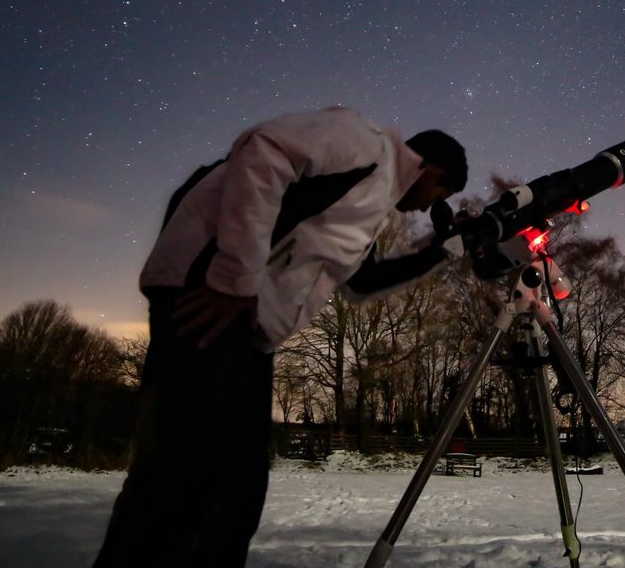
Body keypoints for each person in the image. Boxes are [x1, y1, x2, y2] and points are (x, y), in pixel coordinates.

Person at [93, 106, 468, 567]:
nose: (428, 207)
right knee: (183, 474)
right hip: (207, 298)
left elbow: (362, 284)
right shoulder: (364, 142)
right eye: (437, 195)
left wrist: (443, 253)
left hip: (245, 330)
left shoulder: (371, 209)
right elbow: (264, 151)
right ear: (433, 169)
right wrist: (234, 278)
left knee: (239, 487)